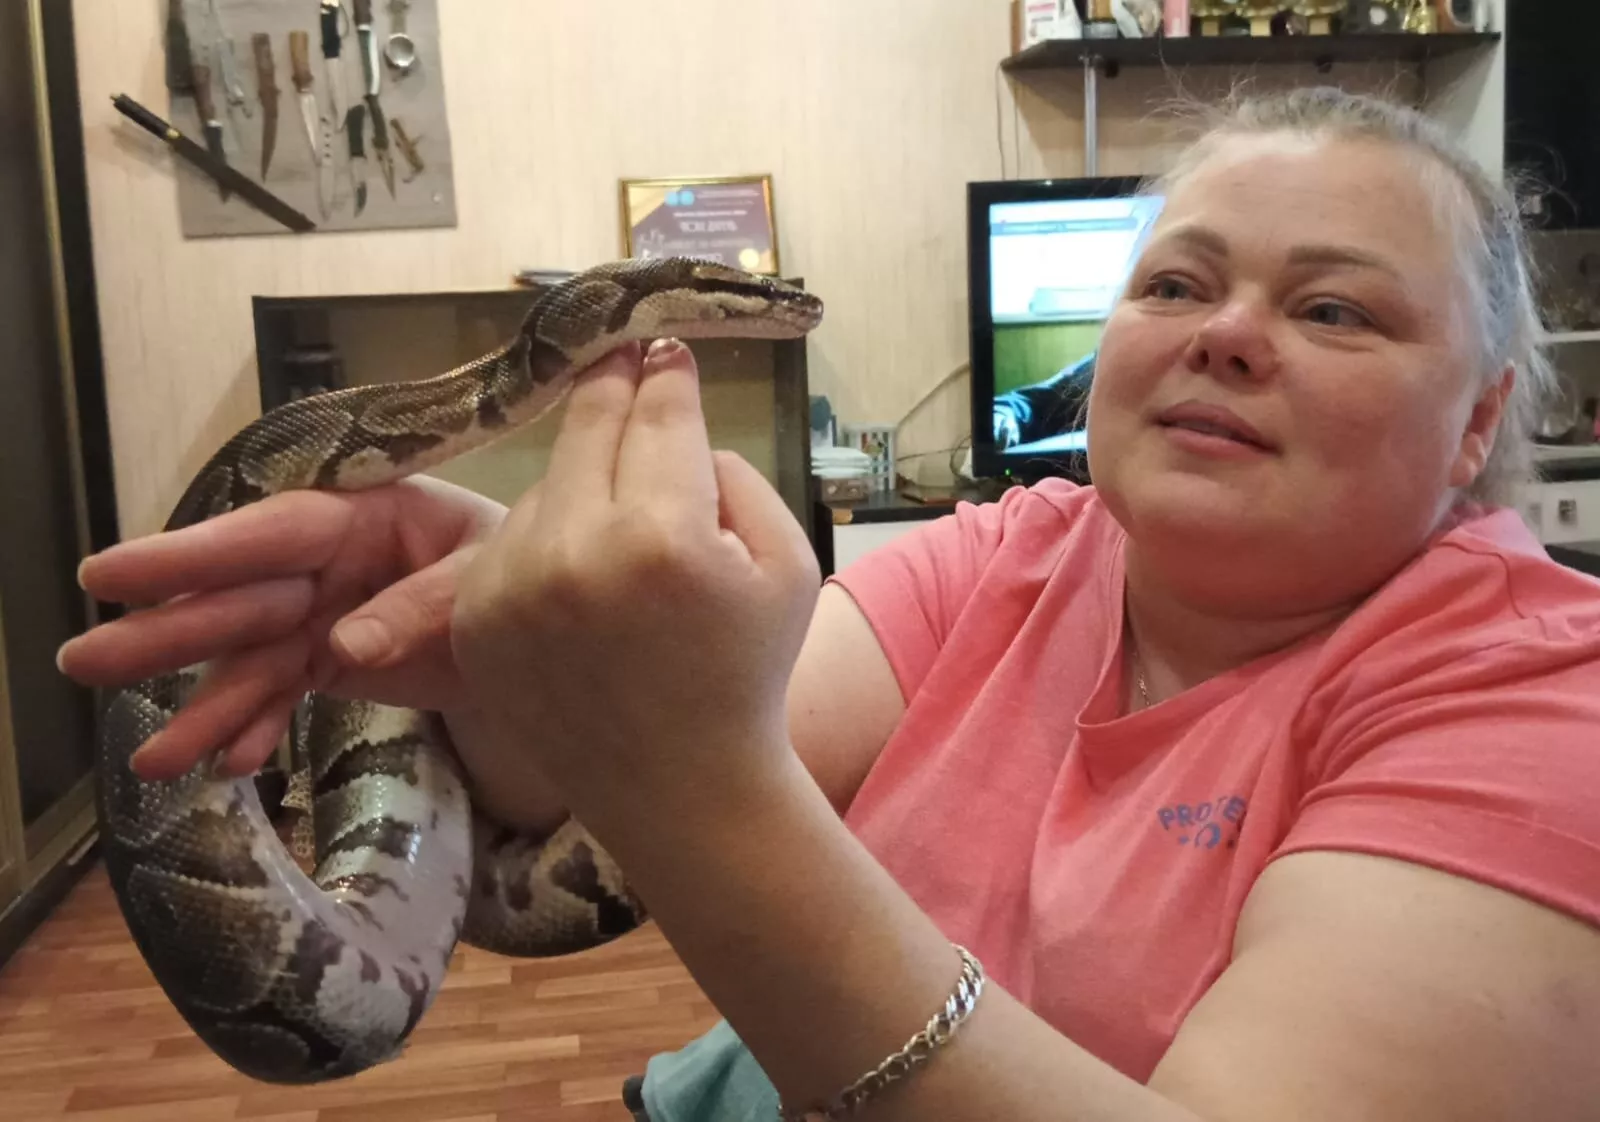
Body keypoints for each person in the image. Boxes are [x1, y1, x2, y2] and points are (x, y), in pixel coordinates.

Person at [59, 87, 1600, 1122]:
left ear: (1480, 415)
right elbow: (570, 801)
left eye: (1332, 307)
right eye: (1176, 285)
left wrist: (691, 774)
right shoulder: (1012, 551)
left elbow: (687, 775)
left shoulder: (1535, 710)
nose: (1228, 335)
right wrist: (489, 636)